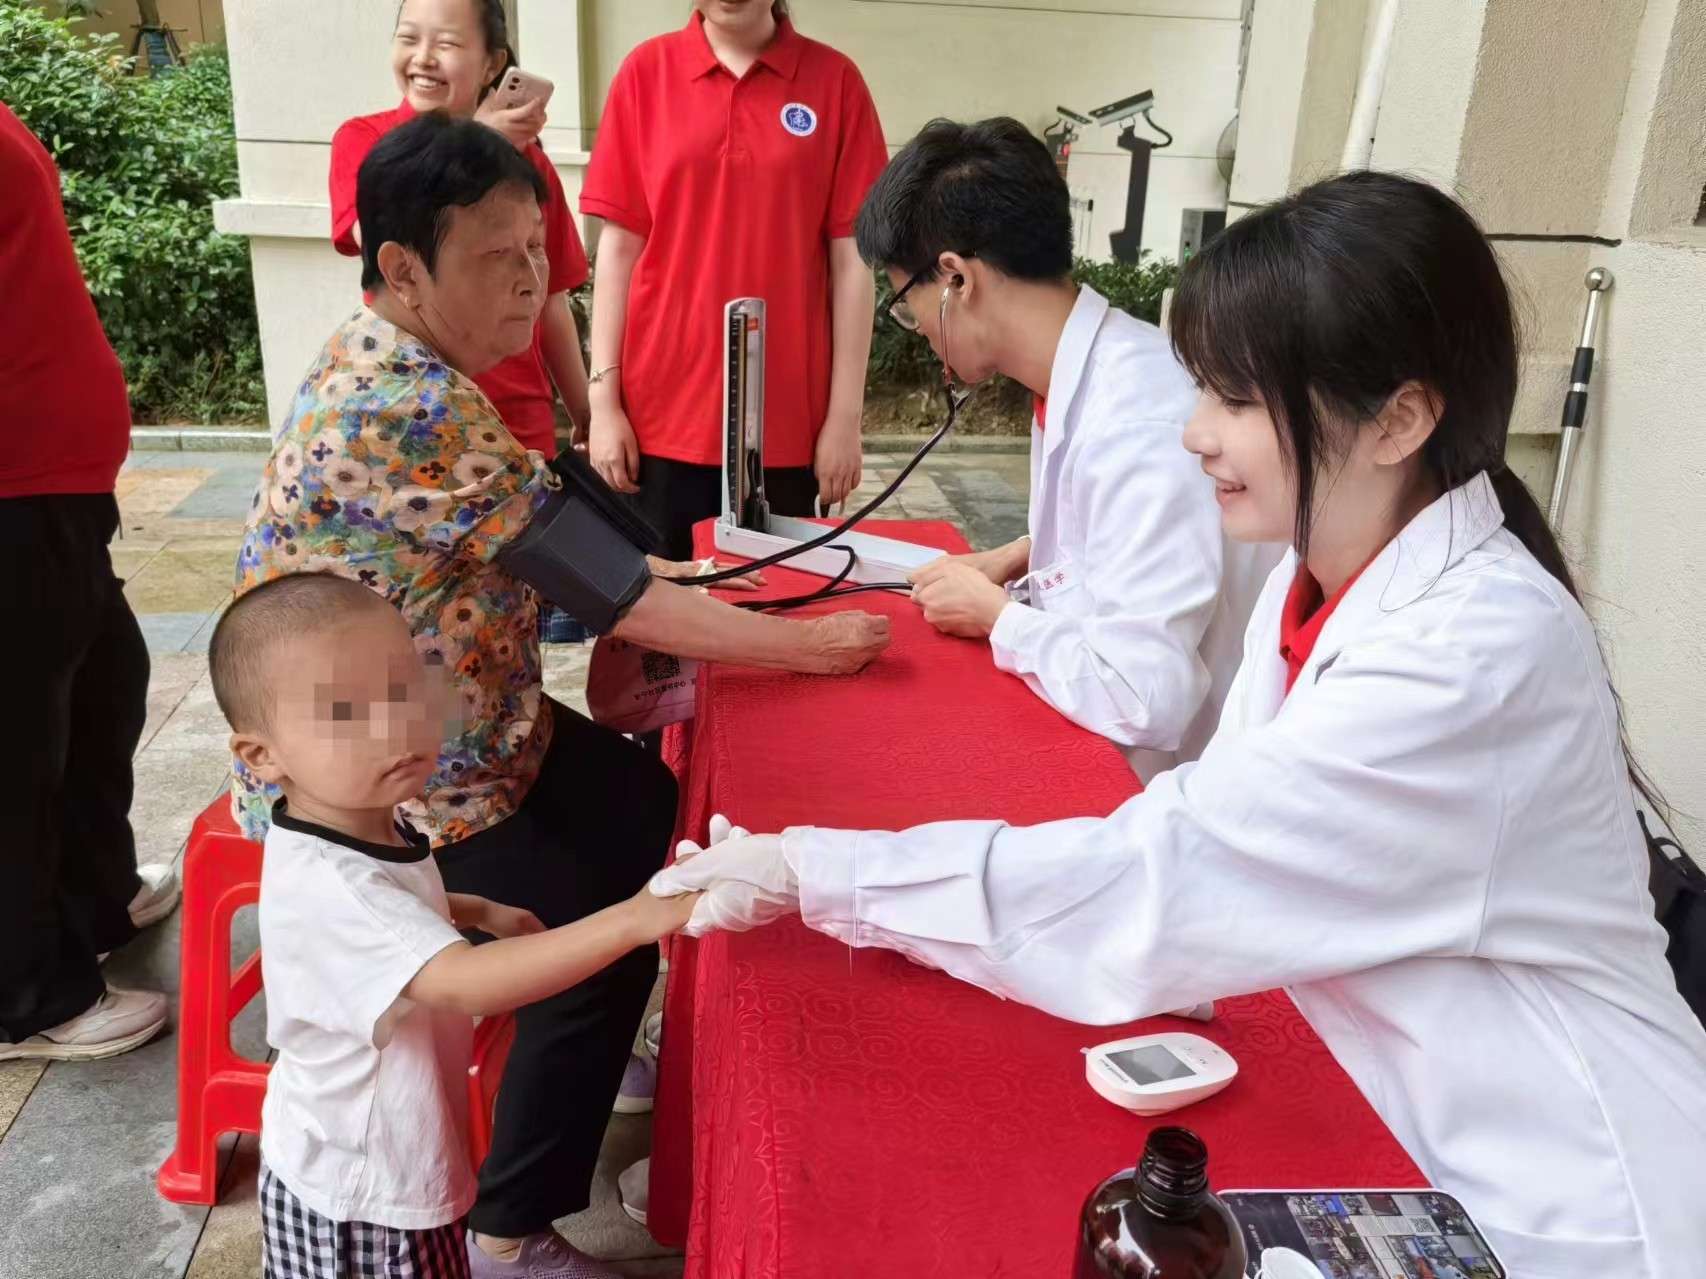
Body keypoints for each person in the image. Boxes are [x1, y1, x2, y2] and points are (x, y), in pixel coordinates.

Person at [652, 172, 1706, 1277]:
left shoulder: (1471, 657)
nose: (1194, 431)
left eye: (1237, 400)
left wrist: (821, 871)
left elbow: (1163, 873)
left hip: (1559, 1189)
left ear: (1398, 417)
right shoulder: (1324, 570)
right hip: (1400, 1111)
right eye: (1203, 389)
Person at [234, 113, 887, 1276]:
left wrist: (689, 586)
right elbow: (616, 593)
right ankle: (505, 1228)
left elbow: (586, 546)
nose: (534, 279)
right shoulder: (404, 401)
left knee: (642, 805)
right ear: (401, 267)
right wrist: (811, 648)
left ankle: (592, 1043)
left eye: (539, 248)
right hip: (381, 782)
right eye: (499, 256)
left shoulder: (430, 365)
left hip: (474, 733)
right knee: (593, 910)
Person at [208, 573, 699, 1279]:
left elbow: (399, 903)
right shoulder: (341, 881)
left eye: (406, 689)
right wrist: (632, 918)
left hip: (347, 1156)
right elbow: (463, 983)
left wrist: (472, 908)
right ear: (262, 755)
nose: (395, 726)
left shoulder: (351, 817)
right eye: (347, 713)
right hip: (368, 1198)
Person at [859, 118, 1278, 776]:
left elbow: (1148, 693)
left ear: (956, 279)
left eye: (907, 306)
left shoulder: (1138, 416)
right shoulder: (1081, 373)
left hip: (1173, 785)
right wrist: (1026, 556)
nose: (915, 331)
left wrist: (1000, 618)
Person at [0, 100, 179, 1065]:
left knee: (105, 688)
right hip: (10, 494)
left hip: (52, 487)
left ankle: (94, 898)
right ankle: (26, 996)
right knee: (16, 753)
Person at [581, 0, 889, 558]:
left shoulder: (835, 82)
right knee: (659, 620)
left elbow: (852, 261)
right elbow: (619, 248)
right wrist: (604, 404)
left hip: (786, 426)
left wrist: (844, 418)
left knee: (775, 614)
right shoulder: (645, 74)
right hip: (657, 419)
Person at [328, 0, 592, 646]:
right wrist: (484, 146)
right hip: (416, 435)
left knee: (518, 617)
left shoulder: (531, 163)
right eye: (408, 38)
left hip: (513, 426)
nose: (422, 58)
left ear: (493, 64)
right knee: (428, 627)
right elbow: (386, 234)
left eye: (445, 43)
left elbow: (552, 295)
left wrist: (589, 414)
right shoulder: (365, 141)